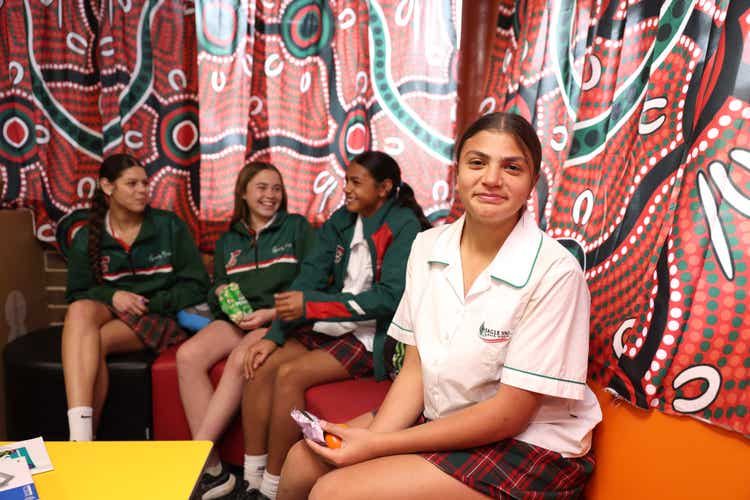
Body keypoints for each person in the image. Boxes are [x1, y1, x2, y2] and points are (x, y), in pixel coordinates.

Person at [277, 112, 603, 500]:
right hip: (442, 414)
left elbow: (510, 414)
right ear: (458, 173)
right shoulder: (428, 247)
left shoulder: (555, 271)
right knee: (301, 461)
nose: (492, 179)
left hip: (526, 442)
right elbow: (415, 370)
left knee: (335, 492)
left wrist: (375, 447)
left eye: (512, 167)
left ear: (532, 182)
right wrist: (370, 442)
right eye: (477, 162)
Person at [233, 151, 431, 500]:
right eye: (346, 180)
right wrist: (274, 335)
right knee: (260, 362)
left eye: (356, 182)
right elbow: (308, 275)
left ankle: (272, 487)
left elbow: (389, 299)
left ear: (384, 188)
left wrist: (313, 305)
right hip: (336, 320)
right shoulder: (342, 219)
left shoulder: (404, 225)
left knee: (290, 374)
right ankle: (250, 478)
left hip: (375, 332)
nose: (346, 189)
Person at [176, 162, 315, 499]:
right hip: (237, 319)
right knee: (187, 355)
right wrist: (221, 293)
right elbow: (218, 285)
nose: (270, 195)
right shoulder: (228, 240)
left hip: (275, 318)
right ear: (243, 192)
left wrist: (272, 313)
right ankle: (213, 470)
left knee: (242, 357)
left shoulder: (296, 228)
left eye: (276, 189)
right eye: (262, 188)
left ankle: (190, 461)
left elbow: (312, 280)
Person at [62, 153, 209, 442]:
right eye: (132, 184)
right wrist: (113, 295)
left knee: (95, 343)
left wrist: (150, 302)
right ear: (107, 187)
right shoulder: (87, 236)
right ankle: (79, 439)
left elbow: (197, 286)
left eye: (145, 183)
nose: (142, 190)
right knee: (80, 310)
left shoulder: (169, 226)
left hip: (159, 314)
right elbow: (77, 292)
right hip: (112, 310)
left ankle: (82, 441)